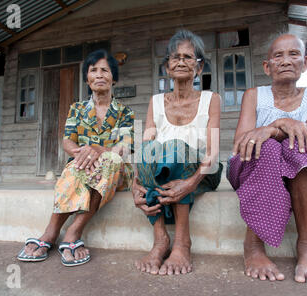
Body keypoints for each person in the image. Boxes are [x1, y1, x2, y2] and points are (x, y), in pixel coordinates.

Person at [228, 34, 307, 284]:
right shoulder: (254, 95)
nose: (286, 61)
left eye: (294, 54)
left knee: (303, 149)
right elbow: (241, 143)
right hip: (248, 164)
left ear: (305, 62)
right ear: (267, 67)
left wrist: (278, 125)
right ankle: (254, 245)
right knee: (267, 147)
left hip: (296, 168)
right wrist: (280, 129)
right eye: (278, 56)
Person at [17, 49, 135, 267]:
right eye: (93, 70)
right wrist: (81, 153)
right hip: (83, 164)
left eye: (105, 70)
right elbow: (67, 141)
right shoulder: (77, 109)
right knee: (74, 167)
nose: (99, 75)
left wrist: (96, 150)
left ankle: (73, 231)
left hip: (116, 169)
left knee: (110, 162)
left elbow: (125, 148)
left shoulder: (124, 112)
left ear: (114, 78)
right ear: (87, 79)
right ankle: (50, 233)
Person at [132, 30, 223, 275]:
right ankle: (161, 238)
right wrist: (134, 183)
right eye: (175, 57)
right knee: (150, 150)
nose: (181, 61)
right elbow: (145, 146)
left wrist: (192, 183)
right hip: (166, 172)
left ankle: (183, 242)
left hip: (204, 171)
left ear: (199, 66)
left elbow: (213, 153)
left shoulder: (211, 99)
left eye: (188, 57)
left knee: (175, 148)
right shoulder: (156, 101)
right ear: (167, 68)